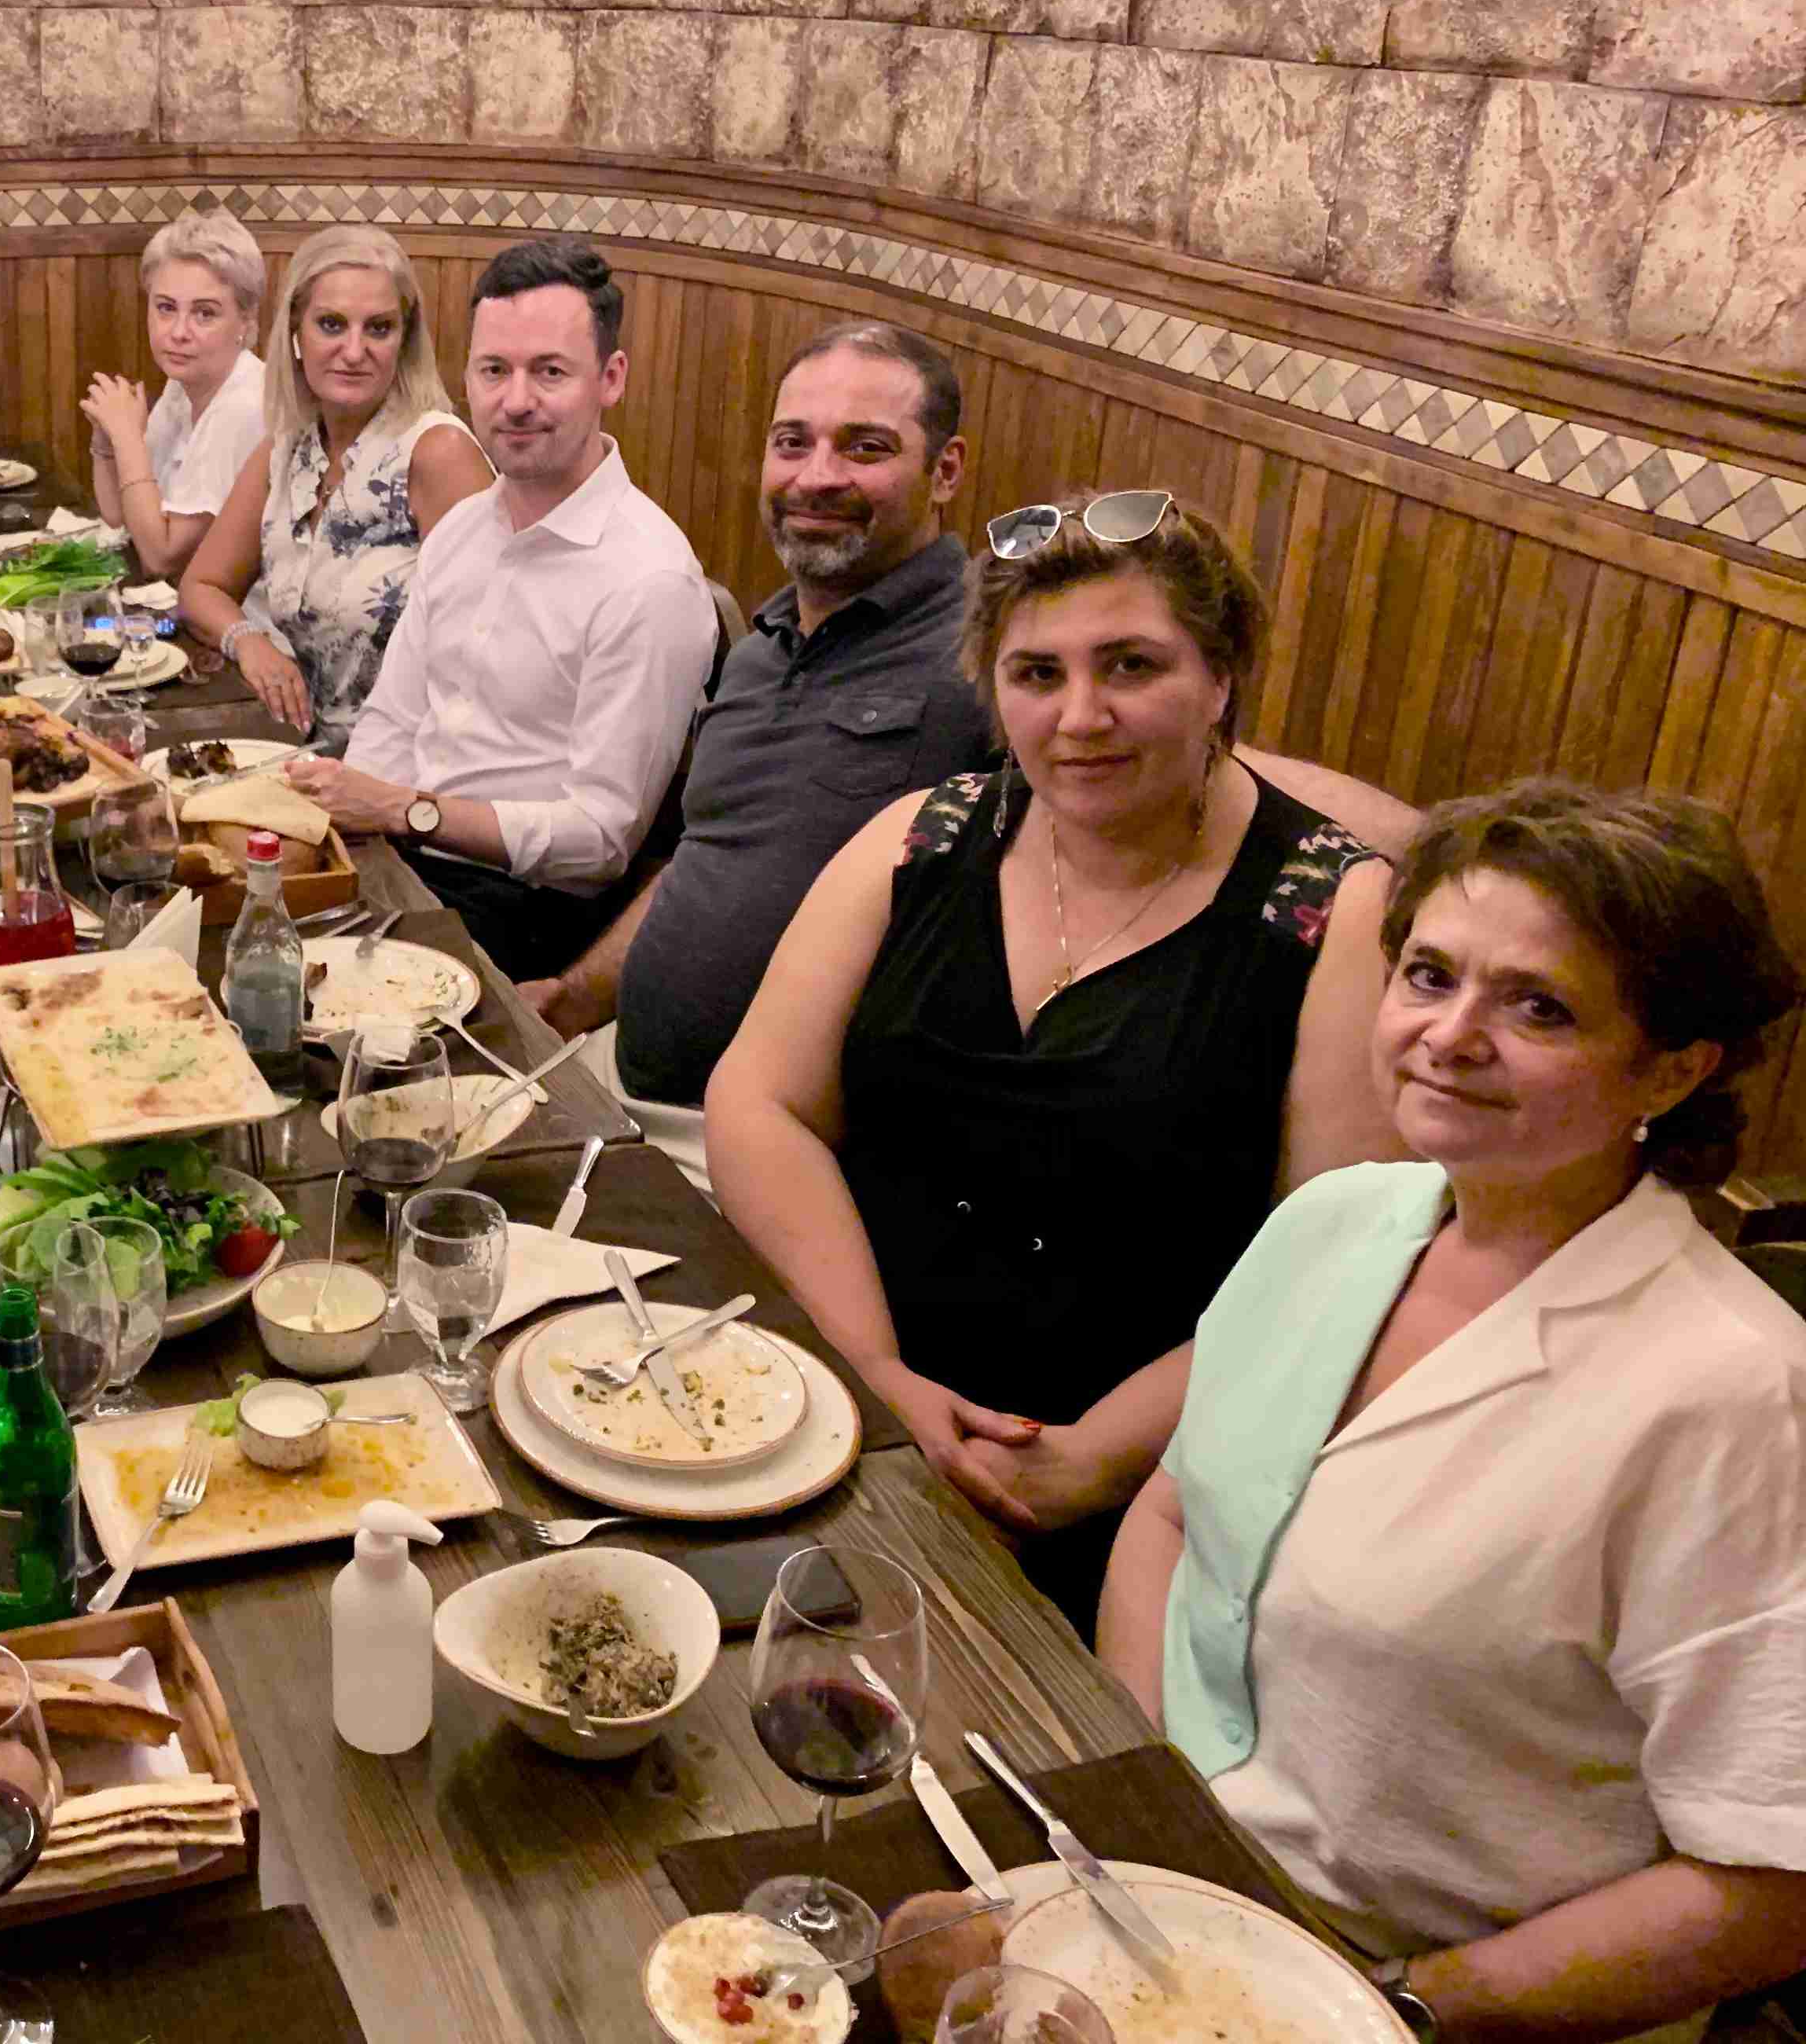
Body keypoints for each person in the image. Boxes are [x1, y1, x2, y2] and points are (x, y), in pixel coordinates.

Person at [1100, 783, 1806, 2037]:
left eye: (1540, 1007)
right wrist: (1151, 1814)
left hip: (1416, 1992)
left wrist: (1398, 2011)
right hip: (1169, 1887)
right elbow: (1170, 1517)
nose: (1452, 1034)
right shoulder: (1334, 1220)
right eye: (1430, 976)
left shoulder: (1737, 1393)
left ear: (1673, 1067)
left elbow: (1771, 1884)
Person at [703, 492, 1402, 1631]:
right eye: (1037, 674)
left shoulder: (1335, 913)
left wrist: (1091, 1461)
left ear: (1221, 678)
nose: (1081, 717)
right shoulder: (925, 836)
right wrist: (876, 1376)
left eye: (1131, 666)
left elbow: (1332, 1271)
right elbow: (759, 1098)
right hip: (840, 1410)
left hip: (1142, 1494)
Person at [520, 321, 1413, 1191]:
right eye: (794, 442)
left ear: (945, 471)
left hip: (766, 1146)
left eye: (865, 447)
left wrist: (1435, 858)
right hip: (615, 1074)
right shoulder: (761, 649)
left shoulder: (986, 651)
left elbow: (1169, 754)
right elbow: (709, 855)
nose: (817, 475)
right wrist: (574, 995)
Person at [285, 238, 718, 983]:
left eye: (549, 372)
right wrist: (347, 833)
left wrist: (405, 810)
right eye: (494, 370)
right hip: (401, 861)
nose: (516, 401)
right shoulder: (463, 528)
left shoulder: (648, 578)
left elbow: (600, 841)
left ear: (611, 378)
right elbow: (392, 722)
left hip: (529, 912)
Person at [174, 225, 492, 753]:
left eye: (379, 328)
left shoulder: (438, 453)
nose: (354, 350)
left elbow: (489, 665)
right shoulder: (286, 450)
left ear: (404, 341)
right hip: (303, 750)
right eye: (332, 324)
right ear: (295, 333)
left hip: (411, 768)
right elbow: (201, 587)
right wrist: (249, 642)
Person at [76, 207, 270, 583]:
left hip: (242, 614)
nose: (179, 332)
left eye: (204, 314)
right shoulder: (183, 386)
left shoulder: (245, 406)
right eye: (166, 308)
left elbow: (162, 557)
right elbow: (122, 517)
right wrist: (106, 441)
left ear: (245, 321)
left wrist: (128, 438)